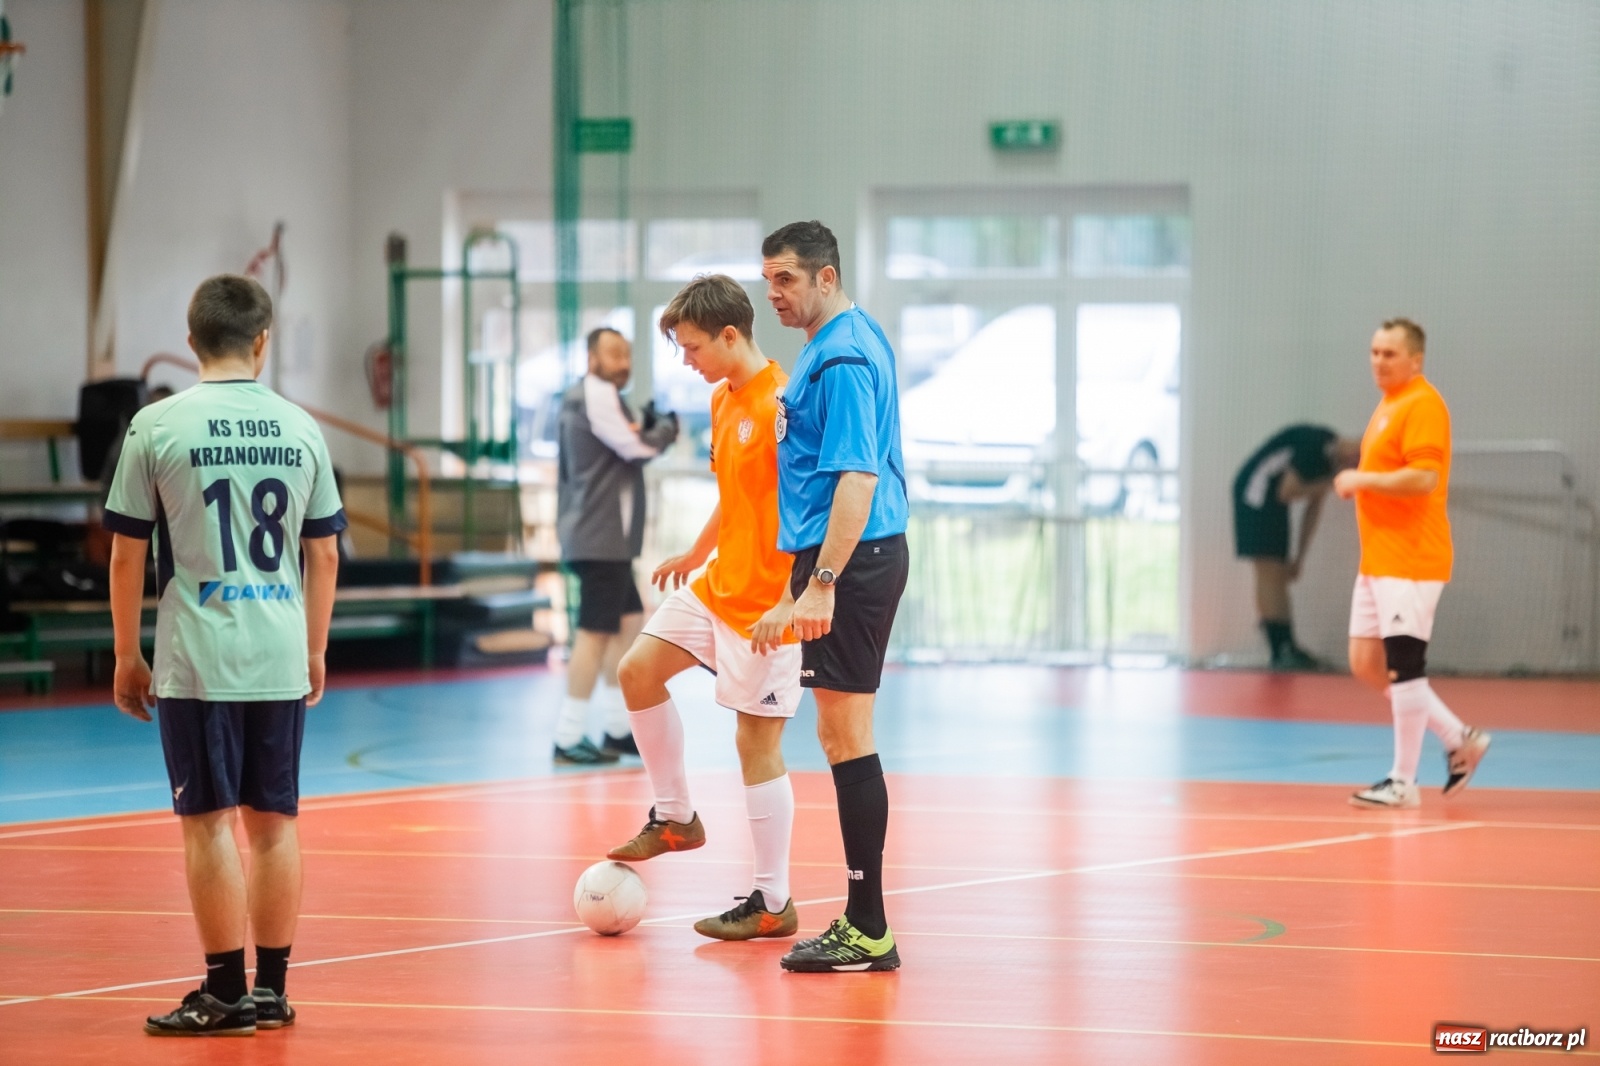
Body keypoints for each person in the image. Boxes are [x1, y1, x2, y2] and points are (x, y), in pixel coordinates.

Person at [104, 274, 346, 1036]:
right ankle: (271, 990)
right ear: (262, 340)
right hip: (278, 649)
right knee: (274, 820)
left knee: (207, 821)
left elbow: (125, 556)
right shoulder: (301, 426)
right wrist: (314, 648)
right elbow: (326, 553)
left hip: (197, 656)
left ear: (191, 340)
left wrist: (125, 656)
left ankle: (222, 991)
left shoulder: (157, 425)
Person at [605, 274, 802, 941]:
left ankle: (773, 900)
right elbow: (736, 494)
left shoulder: (783, 402)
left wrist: (796, 596)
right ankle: (675, 817)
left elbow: (809, 506)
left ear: (728, 334)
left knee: (756, 744)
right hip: (717, 585)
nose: (686, 361)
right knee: (636, 670)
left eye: (692, 347)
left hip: (768, 605)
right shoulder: (722, 401)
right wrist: (696, 553)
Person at [760, 221, 909, 973]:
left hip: (850, 560)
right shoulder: (833, 342)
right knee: (839, 736)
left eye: (786, 279)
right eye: (769, 281)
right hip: (835, 558)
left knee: (848, 737)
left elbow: (858, 477)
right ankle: (865, 921)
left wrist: (820, 583)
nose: (775, 294)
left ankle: (868, 927)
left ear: (825, 276)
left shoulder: (844, 355)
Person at [1334, 318, 1490, 809]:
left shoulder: (1423, 404)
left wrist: (1360, 480)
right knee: (1365, 663)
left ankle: (1403, 780)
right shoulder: (1389, 405)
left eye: (1390, 354)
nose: (1379, 361)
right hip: (1378, 558)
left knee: (1405, 666)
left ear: (1415, 360)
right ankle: (1457, 735)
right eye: (1375, 352)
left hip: (1411, 557)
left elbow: (1423, 478)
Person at [553, 327, 678, 764]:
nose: (623, 363)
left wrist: (648, 426)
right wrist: (663, 431)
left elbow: (622, 439)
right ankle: (567, 737)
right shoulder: (596, 392)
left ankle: (615, 728)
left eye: (627, 354)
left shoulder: (591, 397)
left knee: (626, 625)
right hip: (600, 536)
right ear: (592, 359)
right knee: (594, 633)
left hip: (605, 538)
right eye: (613, 354)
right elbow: (635, 447)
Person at [1232, 424, 1360, 669]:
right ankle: (1279, 649)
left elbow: (1313, 508)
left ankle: (1287, 645)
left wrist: (1299, 558)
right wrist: (1330, 483)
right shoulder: (1315, 447)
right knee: (1269, 573)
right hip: (1254, 494)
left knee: (1280, 573)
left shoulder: (1331, 464)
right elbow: (1287, 490)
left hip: (1274, 501)